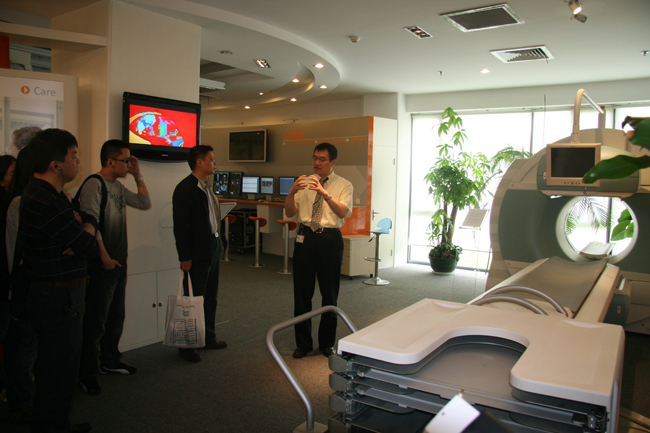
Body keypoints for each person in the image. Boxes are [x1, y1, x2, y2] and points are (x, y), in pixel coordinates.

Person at [19, 128, 99, 433]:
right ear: (56, 164)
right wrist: (86, 228)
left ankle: (57, 423)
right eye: (74, 156)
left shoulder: (50, 195)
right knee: (58, 371)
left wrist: (82, 227)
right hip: (57, 299)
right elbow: (88, 247)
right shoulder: (45, 199)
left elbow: (80, 233)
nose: (78, 162)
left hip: (57, 296)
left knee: (59, 369)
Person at [78, 139, 151, 395]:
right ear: (110, 161)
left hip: (119, 263)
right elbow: (90, 224)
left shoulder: (118, 187)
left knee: (115, 317)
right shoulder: (93, 185)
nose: (129, 164)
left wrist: (138, 175)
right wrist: (105, 257)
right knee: (95, 321)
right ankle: (84, 372)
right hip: (102, 265)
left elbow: (144, 203)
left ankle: (109, 362)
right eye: (126, 160)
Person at [284, 142, 353, 359]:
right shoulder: (302, 182)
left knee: (329, 294)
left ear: (333, 162)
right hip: (305, 239)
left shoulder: (344, 184)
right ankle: (303, 344)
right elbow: (289, 212)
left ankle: (326, 344)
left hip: (330, 240)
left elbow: (342, 212)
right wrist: (291, 192)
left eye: (322, 159)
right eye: (314, 158)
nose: (316, 163)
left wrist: (324, 193)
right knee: (302, 295)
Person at [172, 145, 227, 363]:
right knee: (193, 300)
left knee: (210, 297)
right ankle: (187, 346)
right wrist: (184, 256)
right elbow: (181, 227)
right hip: (196, 252)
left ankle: (208, 336)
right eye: (212, 160)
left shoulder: (207, 187)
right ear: (200, 162)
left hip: (212, 247)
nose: (215, 163)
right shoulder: (185, 189)